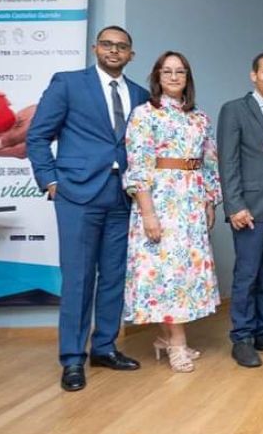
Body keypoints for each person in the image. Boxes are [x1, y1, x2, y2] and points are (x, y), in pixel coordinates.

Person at [26, 25, 148, 392]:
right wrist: (50, 180)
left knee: (114, 276)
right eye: (108, 45)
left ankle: (105, 347)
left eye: (122, 47)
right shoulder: (68, 83)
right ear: (95, 48)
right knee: (79, 277)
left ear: (131, 54)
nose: (114, 51)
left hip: (121, 195)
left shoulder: (141, 95)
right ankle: (73, 358)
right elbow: (38, 135)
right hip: (77, 193)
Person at [121, 51, 221, 373]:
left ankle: (166, 338)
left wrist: (209, 201)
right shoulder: (144, 114)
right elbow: (137, 165)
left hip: (191, 203)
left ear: (188, 78)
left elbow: (209, 162)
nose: (174, 76)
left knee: (183, 274)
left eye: (180, 71)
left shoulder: (200, 118)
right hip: (162, 200)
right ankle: (177, 344)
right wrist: (148, 212)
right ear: (158, 76)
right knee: (166, 274)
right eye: (168, 71)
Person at [218, 52, 263, 367]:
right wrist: (235, 205)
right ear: (253, 75)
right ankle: (243, 337)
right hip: (248, 208)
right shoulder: (234, 110)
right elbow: (228, 161)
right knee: (247, 274)